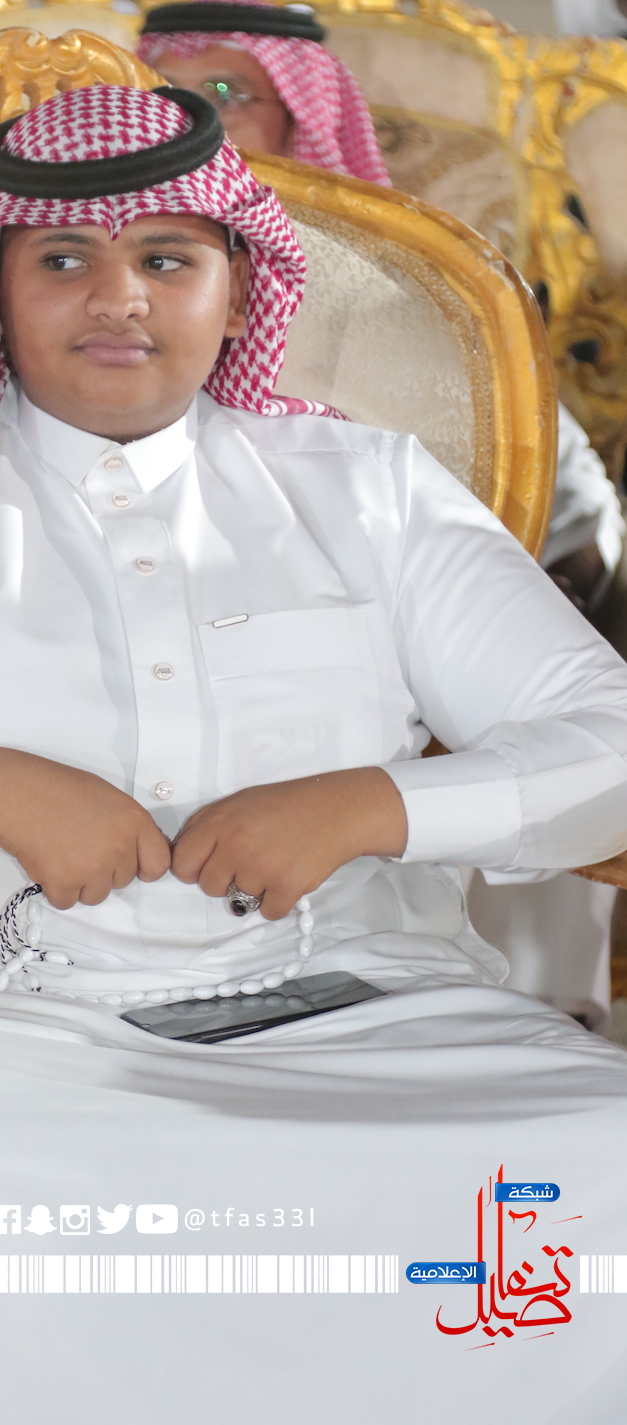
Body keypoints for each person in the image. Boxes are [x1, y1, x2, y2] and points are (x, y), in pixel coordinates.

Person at [0, 81, 627, 1423]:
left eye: (167, 260)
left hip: (375, 1014)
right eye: (63, 260)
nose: (117, 299)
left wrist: (376, 807)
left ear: (238, 294)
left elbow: (606, 737)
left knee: (600, 1161)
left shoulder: (368, 491)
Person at [141, 0, 627, 1029]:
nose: (194, 112)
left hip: (521, 547)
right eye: (171, 90)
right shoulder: (130, 273)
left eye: (229, 92)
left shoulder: (398, 280)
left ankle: (546, 999)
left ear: (301, 113)